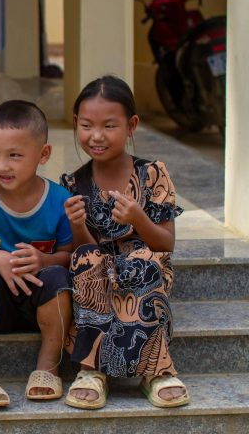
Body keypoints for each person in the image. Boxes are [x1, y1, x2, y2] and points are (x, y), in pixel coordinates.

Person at [61, 75, 188, 409]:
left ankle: (156, 370)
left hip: (149, 267)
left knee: (143, 261)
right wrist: (77, 226)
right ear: (76, 123)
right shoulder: (74, 183)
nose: (97, 136)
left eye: (110, 126)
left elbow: (166, 244)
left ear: (132, 125)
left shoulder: (152, 174)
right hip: (101, 273)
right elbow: (84, 247)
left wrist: (138, 219)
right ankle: (92, 370)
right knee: (86, 261)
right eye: (87, 125)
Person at [0, 100, 73, 408]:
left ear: (43, 154)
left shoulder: (59, 200)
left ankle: (48, 367)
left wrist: (44, 261)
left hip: (39, 303)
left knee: (59, 278)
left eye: (15, 156)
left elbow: (69, 256)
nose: (1, 165)